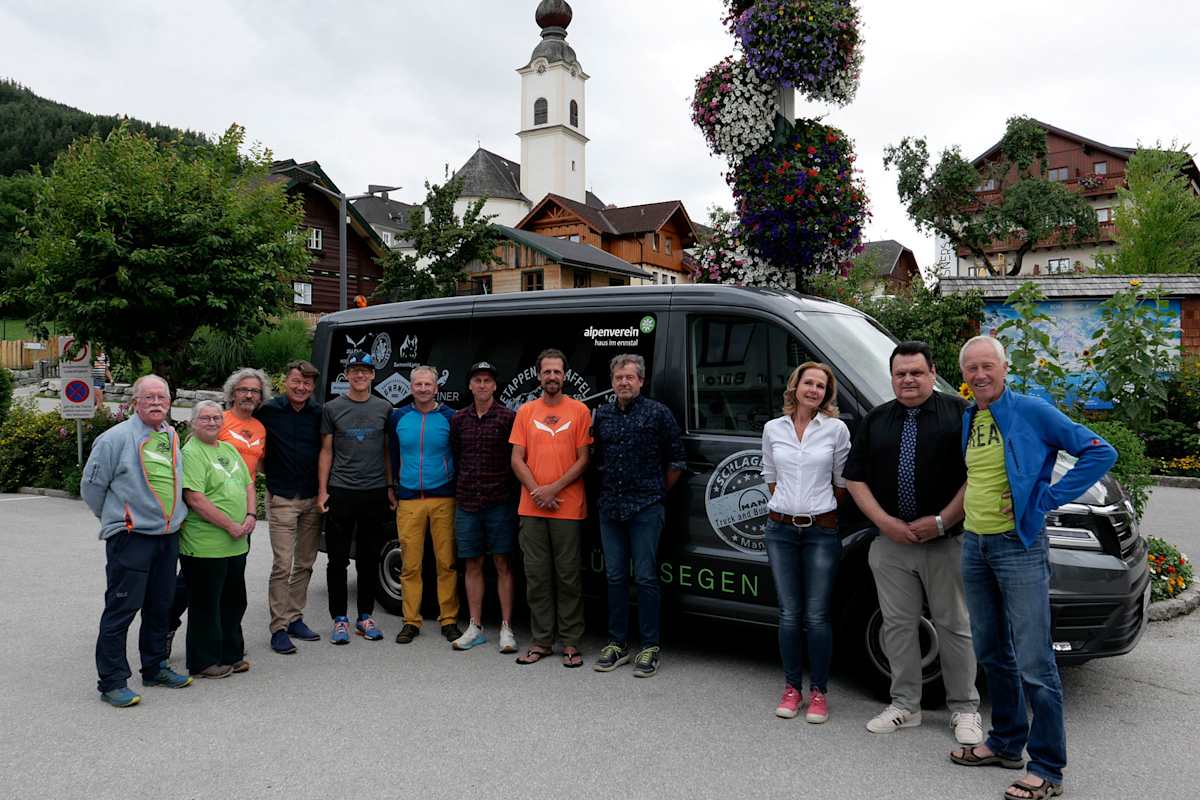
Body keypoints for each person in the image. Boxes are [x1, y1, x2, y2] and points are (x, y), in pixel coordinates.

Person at [950, 336, 1116, 800]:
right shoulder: (972, 416)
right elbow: (978, 477)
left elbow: (1100, 451)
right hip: (975, 545)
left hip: (1017, 547)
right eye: (971, 368)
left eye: (988, 366)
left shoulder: (1031, 410)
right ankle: (1005, 743)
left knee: (1035, 661)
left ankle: (1047, 767)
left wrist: (1046, 498)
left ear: (1005, 369)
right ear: (963, 375)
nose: (980, 375)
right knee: (991, 651)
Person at [843, 341, 982, 744]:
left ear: (932, 373)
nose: (908, 380)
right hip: (891, 544)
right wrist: (885, 524)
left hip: (945, 541)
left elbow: (977, 474)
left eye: (916, 372)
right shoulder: (877, 419)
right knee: (898, 626)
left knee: (955, 627)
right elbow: (855, 478)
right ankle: (905, 705)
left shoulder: (960, 414)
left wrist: (942, 521)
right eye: (901, 373)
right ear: (892, 377)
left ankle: (964, 709)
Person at [81, 374, 193, 707]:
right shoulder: (115, 438)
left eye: (163, 397)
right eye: (149, 397)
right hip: (131, 537)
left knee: (160, 605)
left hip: (166, 536)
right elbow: (92, 487)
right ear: (135, 402)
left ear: (170, 402)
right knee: (122, 608)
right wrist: (117, 519)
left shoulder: (170, 435)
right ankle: (112, 681)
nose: (157, 403)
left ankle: (155, 666)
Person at [760, 362, 850, 724]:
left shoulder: (835, 429)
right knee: (789, 614)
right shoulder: (773, 428)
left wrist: (814, 510)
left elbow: (842, 482)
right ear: (795, 386)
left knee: (816, 616)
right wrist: (788, 506)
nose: (814, 390)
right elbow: (770, 475)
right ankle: (792, 687)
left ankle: (819, 692)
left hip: (820, 531)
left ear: (827, 394)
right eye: (808, 383)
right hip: (780, 530)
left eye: (821, 386)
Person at [591, 354, 685, 678]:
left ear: (641, 380)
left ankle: (649, 646)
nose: (624, 383)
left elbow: (676, 462)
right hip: (610, 509)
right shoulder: (601, 416)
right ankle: (617, 643)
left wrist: (656, 495)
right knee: (615, 577)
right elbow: (597, 459)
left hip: (646, 508)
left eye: (630, 377)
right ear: (612, 381)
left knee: (645, 577)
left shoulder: (658, 414)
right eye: (618, 378)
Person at [510, 348, 592, 668]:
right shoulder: (526, 412)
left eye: (557, 371)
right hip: (531, 508)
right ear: (539, 375)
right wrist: (536, 491)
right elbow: (516, 458)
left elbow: (584, 459)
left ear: (565, 375)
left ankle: (571, 642)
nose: (552, 377)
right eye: (547, 372)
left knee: (569, 576)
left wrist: (553, 489)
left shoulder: (580, 411)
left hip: (568, 507)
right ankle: (541, 640)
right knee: (537, 577)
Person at [317, 350, 394, 645]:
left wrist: (389, 486)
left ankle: (365, 616)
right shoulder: (332, 408)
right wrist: (323, 490)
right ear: (346, 375)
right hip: (341, 489)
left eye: (365, 370)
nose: (360, 375)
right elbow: (326, 451)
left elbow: (387, 450)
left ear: (374, 375)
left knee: (368, 558)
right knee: (337, 560)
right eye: (354, 370)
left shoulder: (384, 408)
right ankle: (339, 619)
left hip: (374, 491)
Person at [178, 401, 255, 678]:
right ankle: (204, 662)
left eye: (216, 418)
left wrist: (251, 514)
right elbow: (194, 498)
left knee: (234, 601)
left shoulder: (228, 449)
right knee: (205, 605)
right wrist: (230, 525)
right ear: (193, 422)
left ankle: (231, 654)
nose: (212, 423)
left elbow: (248, 484)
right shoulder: (192, 453)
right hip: (206, 545)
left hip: (236, 542)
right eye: (205, 418)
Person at [448, 361, 519, 653]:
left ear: (494, 386)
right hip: (467, 502)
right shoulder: (459, 419)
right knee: (472, 564)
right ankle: (475, 626)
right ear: (469, 385)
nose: (482, 385)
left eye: (487, 381)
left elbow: (515, 460)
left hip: (499, 502)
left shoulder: (507, 417)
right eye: (477, 380)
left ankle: (506, 628)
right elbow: (456, 454)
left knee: (503, 564)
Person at [255, 360, 324, 654]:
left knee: (306, 563)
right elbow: (251, 442)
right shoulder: (269, 411)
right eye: (297, 381)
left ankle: (295, 617)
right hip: (282, 497)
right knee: (282, 565)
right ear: (286, 381)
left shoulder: (318, 413)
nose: (301, 387)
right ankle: (278, 627)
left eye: (307, 383)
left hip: (311, 498)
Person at [389, 365, 461, 645]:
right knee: (410, 565)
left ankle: (449, 619)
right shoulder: (398, 417)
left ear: (436, 388)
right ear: (411, 387)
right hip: (409, 499)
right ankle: (410, 621)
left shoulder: (450, 417)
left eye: (427, 384)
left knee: (447, 563)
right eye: (417, 384)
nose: (422, 389)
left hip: (443, 498)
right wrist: (390, 485)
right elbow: (391, 454)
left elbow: (459, 454)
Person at [220, 368, 270, 476]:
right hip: (218, 491)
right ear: (233, 394)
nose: (249, 395)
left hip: (247, 491)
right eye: (243, 390)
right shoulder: (218, 420)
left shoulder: (260, 428)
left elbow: (260, 465)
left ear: (261, 398)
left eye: (255, 391)